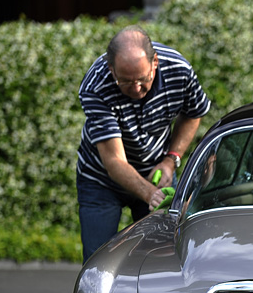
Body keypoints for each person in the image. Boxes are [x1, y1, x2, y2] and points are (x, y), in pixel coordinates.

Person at [76, 25, 210, 261]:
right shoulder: (95, 86)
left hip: (156, 169)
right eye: (126, 82)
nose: (137, 89)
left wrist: (171, 160)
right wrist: (150, 194)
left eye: (142, 79)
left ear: (155, 62)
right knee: (98, 261)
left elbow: (193, 113)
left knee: (162, 255)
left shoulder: (179, 71)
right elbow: (114, 161)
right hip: (101, 181)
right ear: (111, 69)